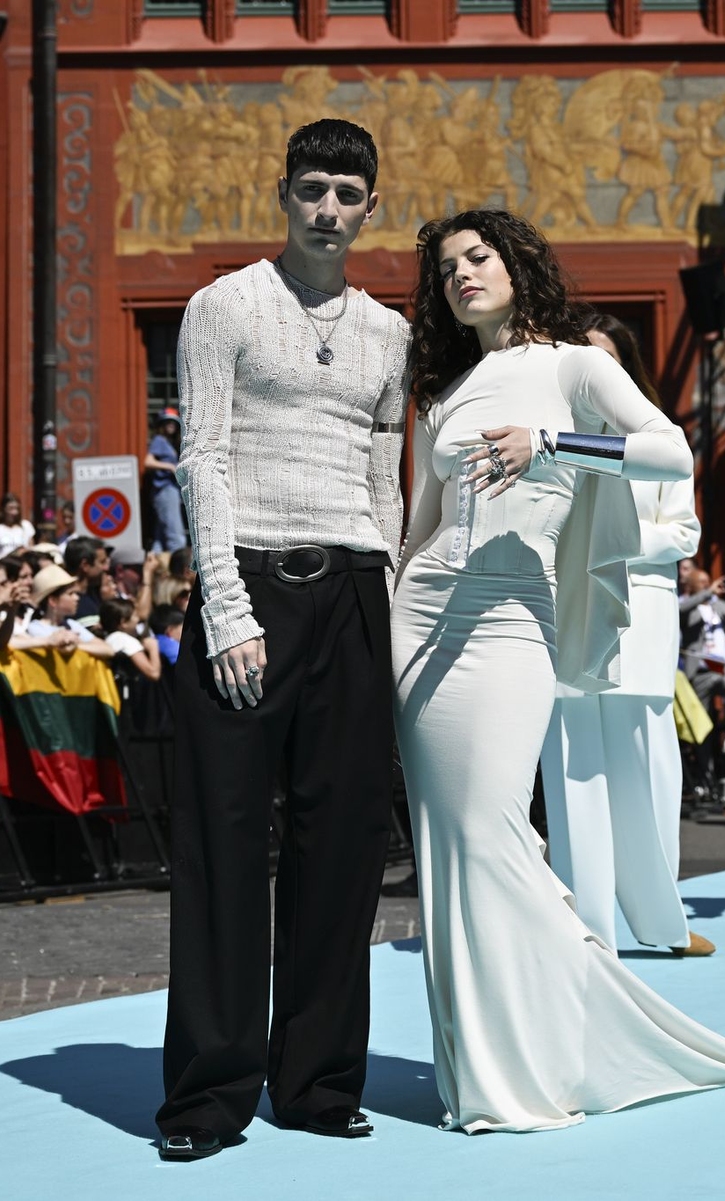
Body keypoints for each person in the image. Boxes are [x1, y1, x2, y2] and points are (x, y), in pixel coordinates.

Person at [391, 207, 725, 1136]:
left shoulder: (574, 364)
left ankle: (553, 1045)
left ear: (518, 265)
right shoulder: (444, 389)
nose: (462, 275)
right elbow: (421, 518)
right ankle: (477, 1065)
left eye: (478, 256)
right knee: (447, 848)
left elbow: (667, 449)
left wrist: (558, 443)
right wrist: (389, 619)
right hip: (424, 623)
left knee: (494, 830)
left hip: (512, 619)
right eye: (447, 267)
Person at [155, 119, 411, 1161]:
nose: (328, 209)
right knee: (221, 848)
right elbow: (201, 457)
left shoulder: (391, 333)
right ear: (283, 193)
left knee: (340, 850)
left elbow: (385, 473)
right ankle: (207, 1097)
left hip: (351, 592)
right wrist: (226, 609)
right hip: (250, 581)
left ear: (369, 208)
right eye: (312, 188)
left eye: (347, 193)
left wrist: (387, 601)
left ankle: (315, 1081)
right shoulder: (225, 306)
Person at [539, 311, 712, 959]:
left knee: (648, 769)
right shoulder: (553, 441)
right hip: (570, 618)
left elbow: (683, 535)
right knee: (572, 768)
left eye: (606, 361)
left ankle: (664, 919)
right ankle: (585, 928)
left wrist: (606, 546)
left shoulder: (659, 441)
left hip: (641, 614)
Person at [678, 568, 725, 782]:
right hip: (700, 670)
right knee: (703, 725)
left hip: (722, 665)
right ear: (690, 585)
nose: (708, 584)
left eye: (708, 581)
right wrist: (707, 592)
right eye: (701, 582)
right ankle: (705, 773)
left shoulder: (718, 606)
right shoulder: (688, 606)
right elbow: (680, 611)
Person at [24, 565, 115, 659]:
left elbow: (108, 650)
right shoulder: (36, 628)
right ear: (53, 601)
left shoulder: (72, 625)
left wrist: (78, 644)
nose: (77, 598)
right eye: (70, 594)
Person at [144, 407, 188, 552]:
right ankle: (180, 569)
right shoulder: (159, 440)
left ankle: (154, 568)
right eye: (168, 422)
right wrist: (169, 466)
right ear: (161, 425)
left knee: (161, 537)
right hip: (165, 490)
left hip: (168, 491)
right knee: (175, 536)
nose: (171, 426)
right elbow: (148, 462)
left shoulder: (169, 443)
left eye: (174, 423)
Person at [99, 596, 162, 681]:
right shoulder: (126, 641)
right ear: (123, 622)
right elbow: (153, 673)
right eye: (135, 616)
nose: (138, 619)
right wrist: (153, 648)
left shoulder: (108, 639)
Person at [64, 537, 111, 622]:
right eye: (102, 562)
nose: (106, 568)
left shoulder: (98, 594)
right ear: (85, 565)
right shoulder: (69, 604)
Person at [0, 493, 35, 557]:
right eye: (11, 508)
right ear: (3, 509)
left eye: (17, 508)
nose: (14, 512)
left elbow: (31, 549)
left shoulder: (26, 525)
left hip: (21, 563)